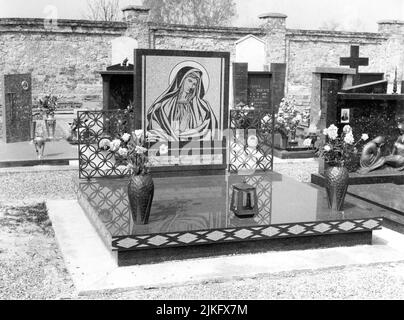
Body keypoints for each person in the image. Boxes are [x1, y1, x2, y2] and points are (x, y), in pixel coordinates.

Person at [146, 66, 218, 141]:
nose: (191, 86)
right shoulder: (165, 104)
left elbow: (208, 129)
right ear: (181, 80)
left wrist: (184, 132)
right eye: (189, 81)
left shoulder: (202, 106)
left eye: (194, 84)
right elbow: (156, 130)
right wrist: (179, 130)